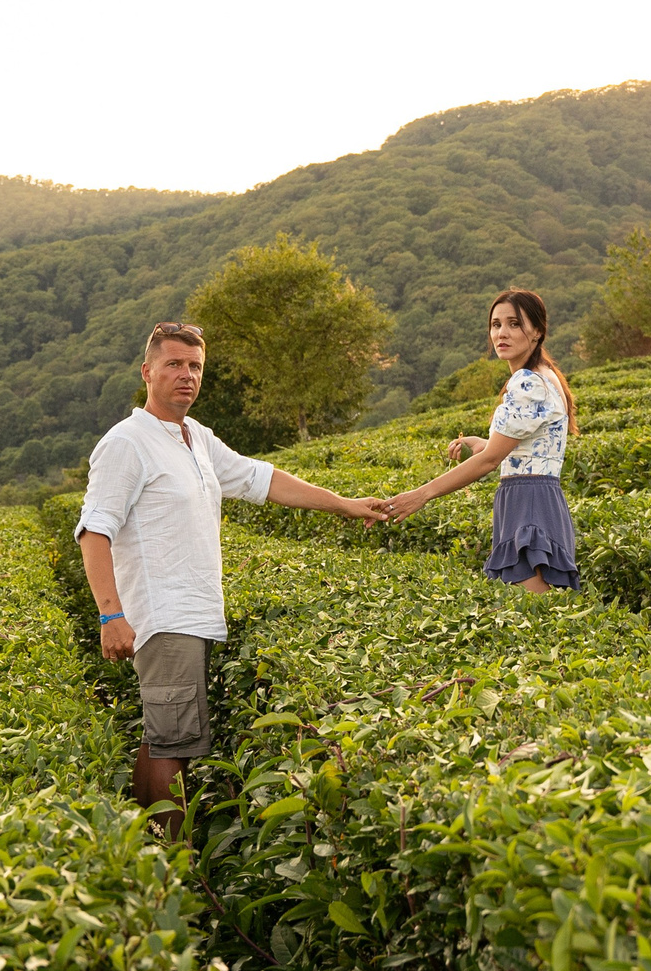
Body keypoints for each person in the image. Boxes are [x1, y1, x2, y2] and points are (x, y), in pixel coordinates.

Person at [75, 320, 383, 831]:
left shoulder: (196, 437)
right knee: (175, 746)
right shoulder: (127, 442)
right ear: (147, 371)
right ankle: (175, 864)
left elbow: (261, 479)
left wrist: (345, 506)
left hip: (192, 614)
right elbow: (94, 532)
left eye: (195, 366)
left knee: (164, 738)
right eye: (174, 364)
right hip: (164, 615)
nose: (186, 375)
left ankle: (146, 850)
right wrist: (112, 614)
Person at [381, 288, 578, 594]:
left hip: (528, 504)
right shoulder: (545, 375)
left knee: (528, 616)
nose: (502, 332)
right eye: (496, 324)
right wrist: (483, 442)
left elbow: (490, 461)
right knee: (533, 615)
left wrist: (422, 495)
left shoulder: (527, 382)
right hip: (538, 499)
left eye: (514, 324)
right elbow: (527, 450)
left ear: (537, 332)